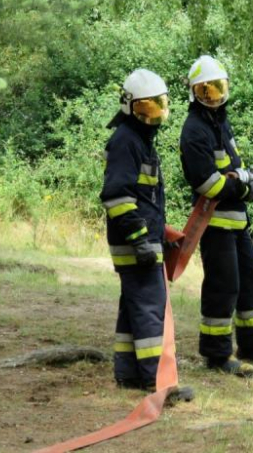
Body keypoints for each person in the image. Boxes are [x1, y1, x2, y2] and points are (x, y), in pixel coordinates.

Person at [179, 55, 253, 377]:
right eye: (205, 91)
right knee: (223, 286)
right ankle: (216, 355)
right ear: (194, 93)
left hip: (237, 222)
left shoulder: (220, 123)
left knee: (252, 283)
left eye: (218, 88)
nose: (213, 96)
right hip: (213, 224)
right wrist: (244, 190)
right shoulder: (194, 130)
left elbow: (233, 168)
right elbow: (205, 181)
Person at [100, 68, 193, 401]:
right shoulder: (127, 140)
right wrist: (141, 237)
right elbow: (117, 196)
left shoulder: (138, 139)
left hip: (141, 240)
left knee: (134, 306)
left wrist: (159, 232)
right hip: (134, 244)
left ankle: (128, 373)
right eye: (147, 108)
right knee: (151, 308)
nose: (154, 115)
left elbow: (143, 199)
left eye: (159, 106)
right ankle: (160, 384)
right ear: (130, 107)